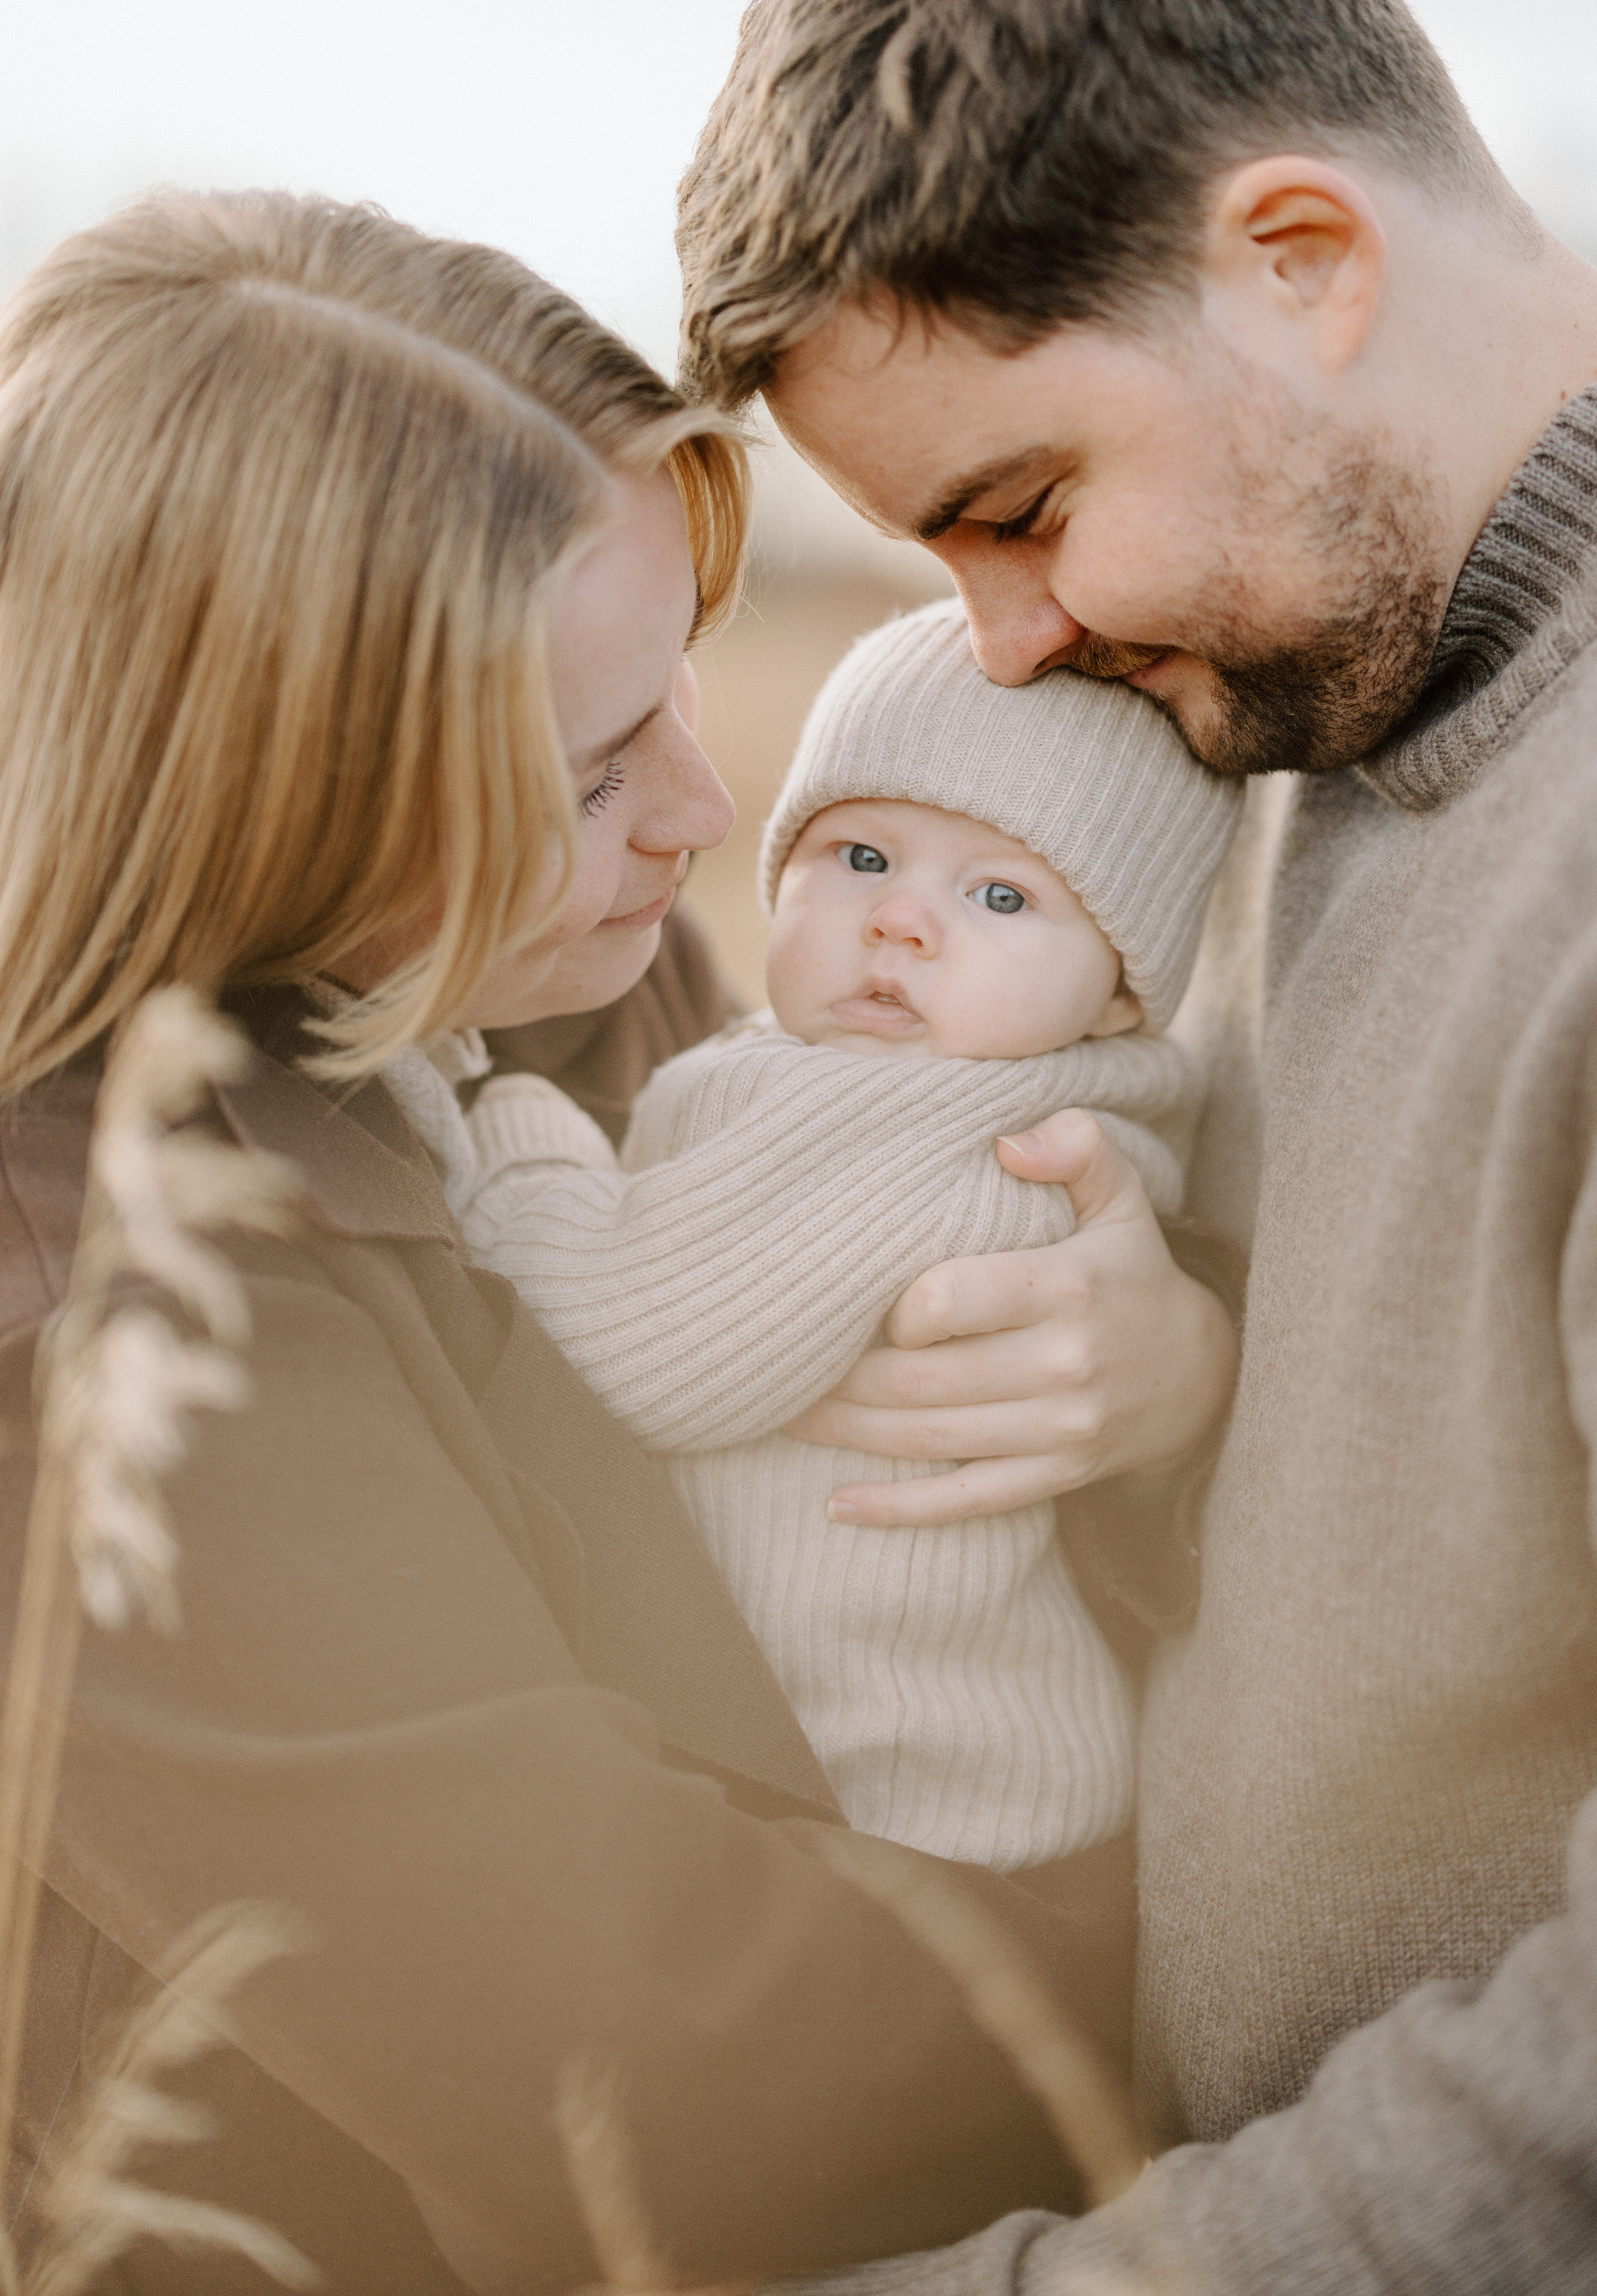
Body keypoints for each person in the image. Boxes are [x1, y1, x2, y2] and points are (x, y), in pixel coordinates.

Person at [0, 187, 1235, 2294]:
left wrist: (1149, 1374)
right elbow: (673, 2064)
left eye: (674, 683)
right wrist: (1298, 1951)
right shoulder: (97, 1324)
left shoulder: (552, 973)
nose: (696, 808)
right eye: (585, 766)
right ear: (268, 796)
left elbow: (866, 1498)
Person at [675, 0, 1597, 2290]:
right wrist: (1177, 1386)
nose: (1000, 645)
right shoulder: (1308, 704)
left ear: (1299, 257)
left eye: (1017, 506)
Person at [383, 601, 1239, 1874]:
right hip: (841, 1772)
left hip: (927, 1811)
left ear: (1117, 991)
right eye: (857, 855)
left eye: (1000, 892)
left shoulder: (952, 1139)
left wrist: (510, 1121)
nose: (901, 920)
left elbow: (624, 1341)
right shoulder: (877, 1070)